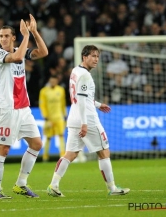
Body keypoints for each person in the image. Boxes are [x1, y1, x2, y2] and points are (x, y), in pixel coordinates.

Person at [47, 45, 130, 197]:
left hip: (73, 117)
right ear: (84, 57)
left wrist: (98, 104)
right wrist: (85, 123)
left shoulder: (75, 71)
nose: (96, 59)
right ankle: (112, 188)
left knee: (70, 154)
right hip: (88, 119)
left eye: (97, 56)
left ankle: (53, 185)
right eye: (92, 56)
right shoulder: (85, 75)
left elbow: (81, 97)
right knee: (104, 152)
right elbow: (83, 100)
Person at [0, 14, 48, 199]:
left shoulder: (20, 49)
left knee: (37, 143)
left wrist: (34, 32)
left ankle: (21, 184)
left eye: (6, 36)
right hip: (6, 109)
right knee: (3, 149)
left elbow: (43, 52)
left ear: (13, 37)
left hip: (23, 109)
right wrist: (25, 37)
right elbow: (17, 57)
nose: (3, 39)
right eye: (1, 36)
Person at [39, 75, 67, 162]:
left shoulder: (61, 90)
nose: (53, 82)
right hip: (49, 118)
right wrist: (45, 116)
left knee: (61, 135)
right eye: (51, 81)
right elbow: (42, 105)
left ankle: (62, 155)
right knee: (48, 137)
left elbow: (63, 103)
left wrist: (65, 114)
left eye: (54, 81)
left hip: (59, 117)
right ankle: (45, 157)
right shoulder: (44, 91)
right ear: (49, 81)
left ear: (57, 81)